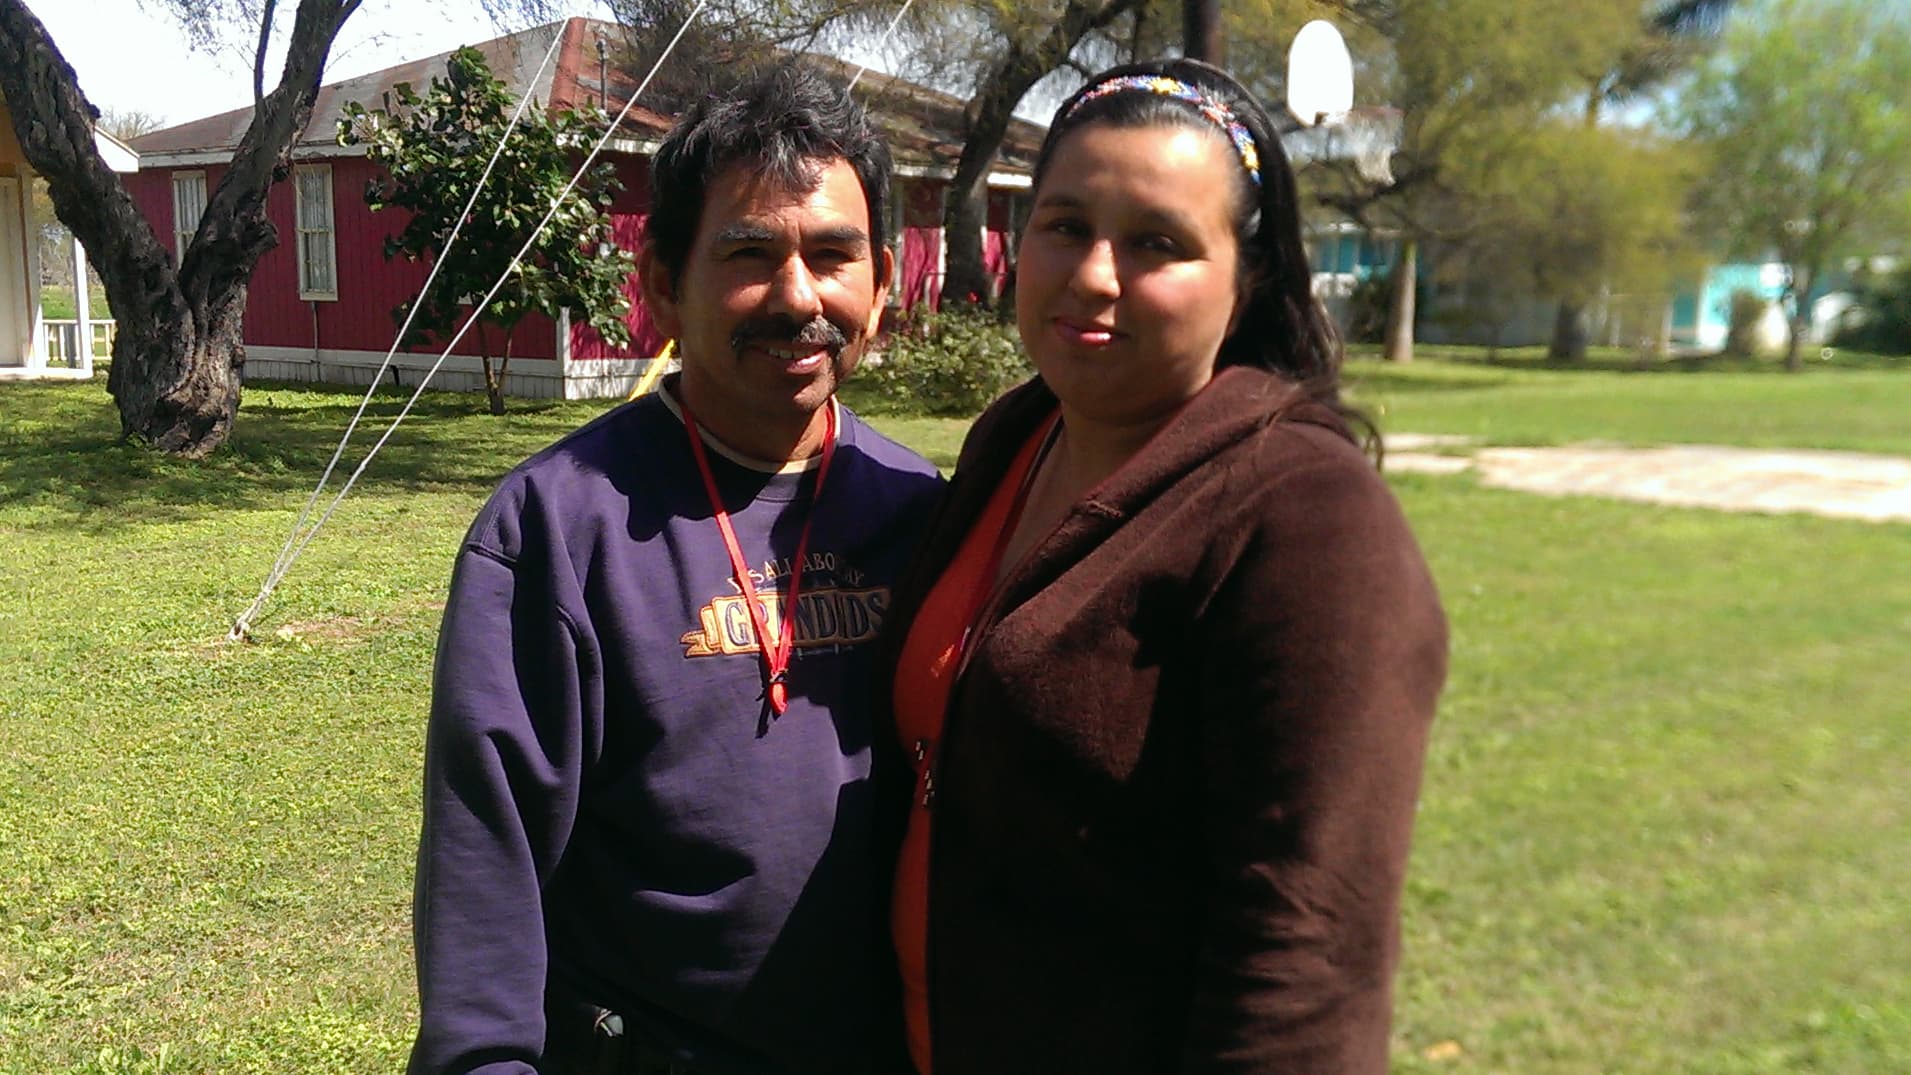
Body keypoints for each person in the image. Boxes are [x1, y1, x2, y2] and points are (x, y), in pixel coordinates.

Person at [882, 58, 1448, 1074]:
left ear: (1250, 276)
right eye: (1064, 225)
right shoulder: (1018, 435)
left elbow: (1307, 947)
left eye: (1158, 243)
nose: (1095, 273)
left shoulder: (1306, 517)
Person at [409, 63, 942, 1075]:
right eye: (749, 253)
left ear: (881, 282)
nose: (799, 296)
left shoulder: (923, 508)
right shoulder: (557, 528)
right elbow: (489, 858)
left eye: (833, 255)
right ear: (662, 283)